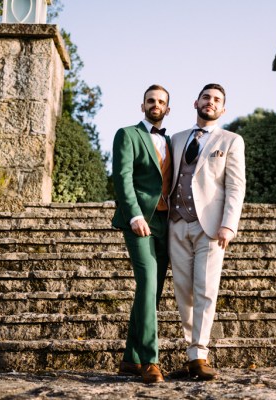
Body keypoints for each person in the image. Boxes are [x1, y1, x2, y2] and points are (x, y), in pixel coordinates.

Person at [168, 83, 246, 380]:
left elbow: (236, 185)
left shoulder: (231, 141)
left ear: (222, 109)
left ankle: (199, 354)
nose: (210, 102)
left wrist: (229, 223)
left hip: (211, 227)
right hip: (177, 223)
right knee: (183, 292)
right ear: (195, 102)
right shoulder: (175, 139)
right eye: (206, 97)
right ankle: (192, 354)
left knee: (205, 289)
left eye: (216, 100)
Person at [111, 84, 172, 384]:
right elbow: (122, 176)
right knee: (147, 283)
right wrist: (134, 214)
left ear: (167, 109)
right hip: (139, 221)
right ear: (142, 105)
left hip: (166, 222)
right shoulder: (127, 134)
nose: (155, 104)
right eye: (151, 100)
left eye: (161, 101)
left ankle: (130, 359)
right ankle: (150, 360)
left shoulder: (172, 141)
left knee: (153, 291)